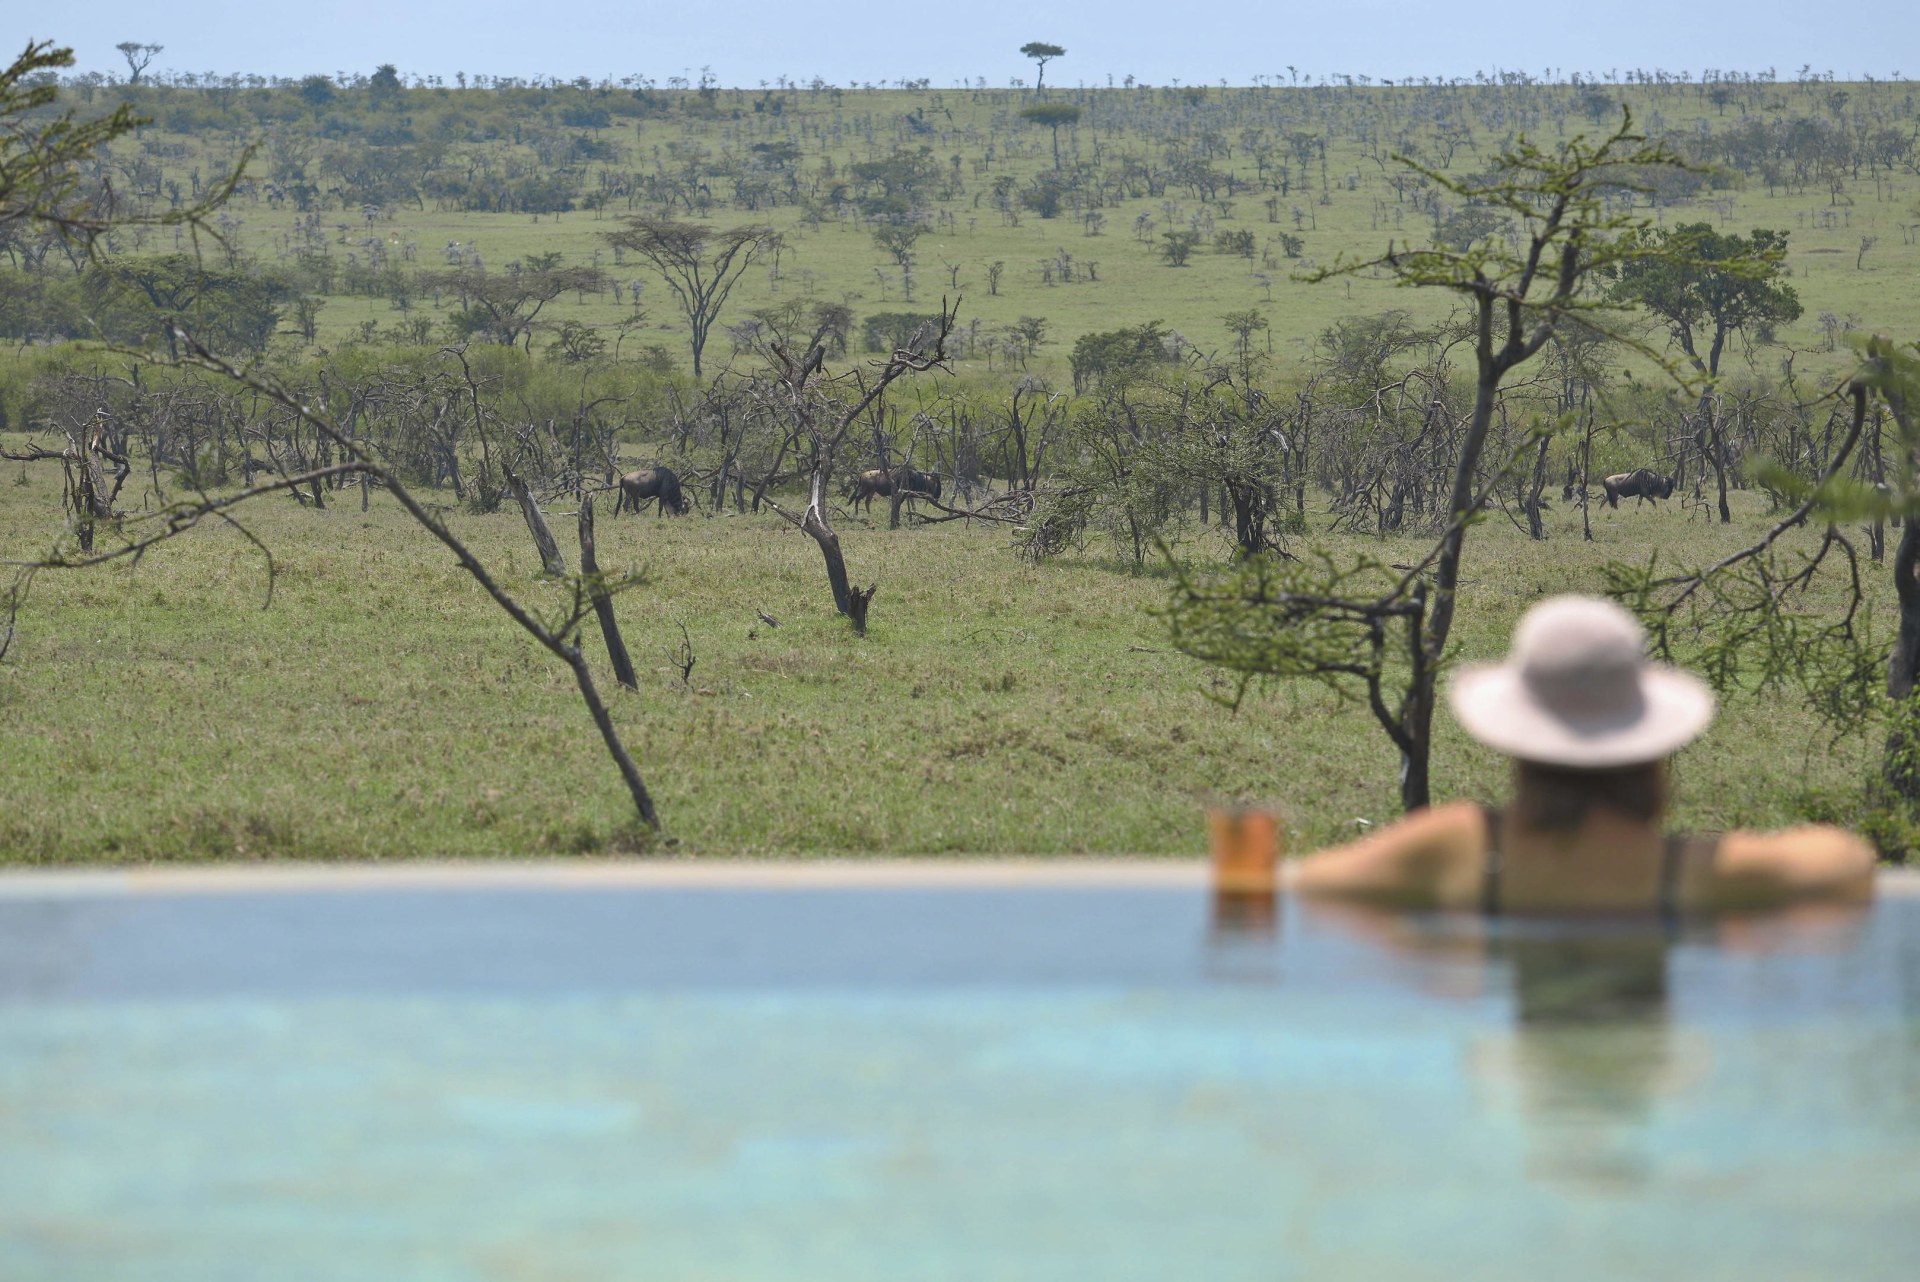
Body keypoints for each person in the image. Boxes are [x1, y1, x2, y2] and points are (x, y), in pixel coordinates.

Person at [1286, 596, 1876, 915]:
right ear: (1650, 748)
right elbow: (1847, 861)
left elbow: (1310, 884)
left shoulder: (1457, 847)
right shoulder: (1693, 874)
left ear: (1518, 744)